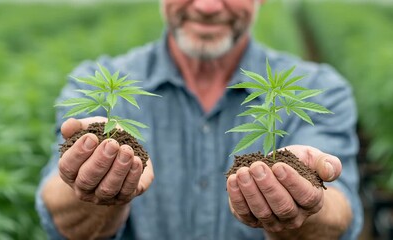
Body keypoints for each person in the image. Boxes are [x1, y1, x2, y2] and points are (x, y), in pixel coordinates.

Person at [36, 0, 363, 239]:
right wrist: (89, 181)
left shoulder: (319, 89)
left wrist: (307, 202)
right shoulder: (92, 81)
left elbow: (340, 212)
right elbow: (60, 211)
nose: (207, 6)